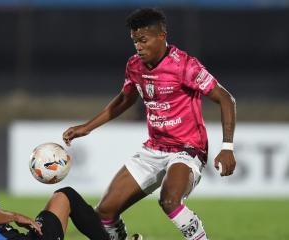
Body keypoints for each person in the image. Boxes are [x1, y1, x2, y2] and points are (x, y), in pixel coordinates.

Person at [62, 8, 236, 240]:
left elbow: (226, 98)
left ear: (161, 36)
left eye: (143, 40)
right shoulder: (135, 66)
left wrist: (227, 148)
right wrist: (87, 127)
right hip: (153, 149)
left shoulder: (185, 65)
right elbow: (125, 99)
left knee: (169, 201)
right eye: (135, 41)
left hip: (187, 149)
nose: (138, 46)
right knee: (104, 211)